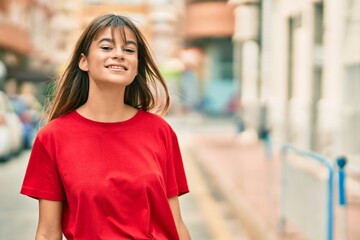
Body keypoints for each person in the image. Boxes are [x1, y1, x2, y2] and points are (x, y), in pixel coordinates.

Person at [20, 13, 191, 240]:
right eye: (107, 47)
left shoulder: (160, 132)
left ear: (137, 66)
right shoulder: (52, 137)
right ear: (84, 61)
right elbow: (47, 233)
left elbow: (176, 223)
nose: (119, 55)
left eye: (129, 50)